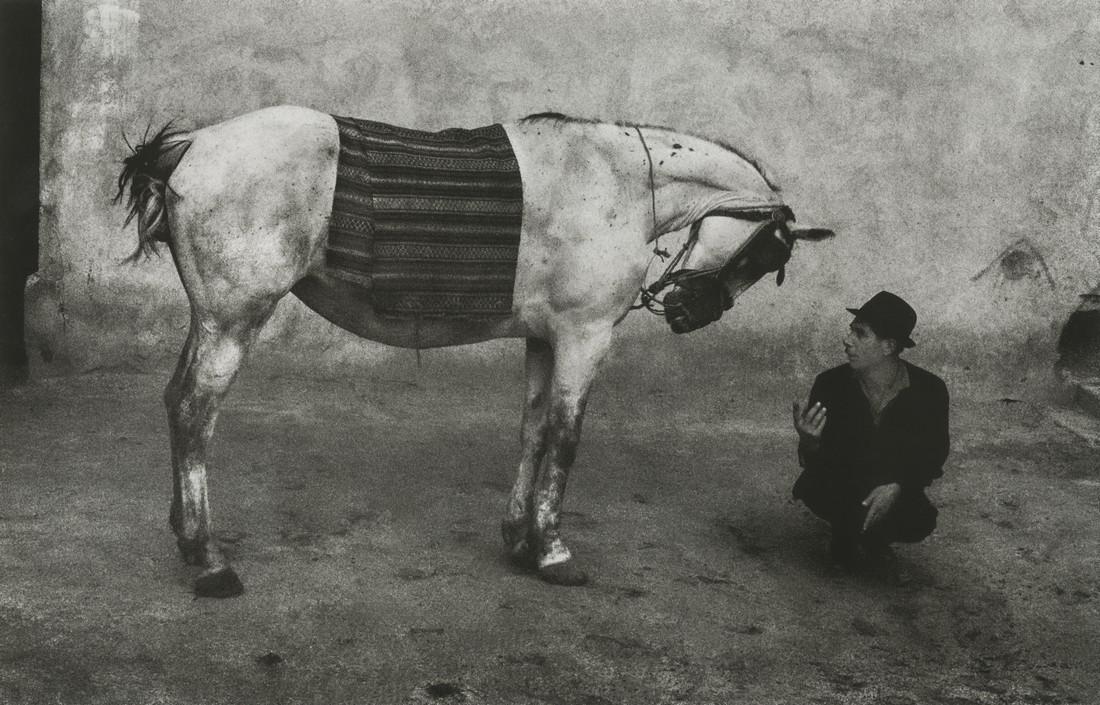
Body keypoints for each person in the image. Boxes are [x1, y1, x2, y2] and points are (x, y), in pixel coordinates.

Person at [791, 291, 949, 580]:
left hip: (891, 485)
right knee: (823, 490)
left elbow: (934, 453)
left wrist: (899, 485)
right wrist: (809, 441)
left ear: (888, 346)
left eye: (860, 334)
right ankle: (846, 537)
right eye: (851, 330)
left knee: (919, 519)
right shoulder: (830, 385)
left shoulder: (929, 390)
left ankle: (874, 537)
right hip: (844, 483)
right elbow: (823, 463)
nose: (847, 340)